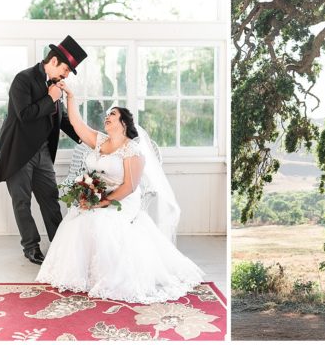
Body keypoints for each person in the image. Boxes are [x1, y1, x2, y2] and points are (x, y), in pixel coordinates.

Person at [35, 87, 204, 303]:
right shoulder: (99, 141)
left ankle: (105, 276)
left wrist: (103, 201)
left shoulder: (132, 150)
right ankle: (82, 275)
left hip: (122, 200)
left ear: (124, 123)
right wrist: (71, 97)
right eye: (107, 115)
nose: (107, 117)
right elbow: (77, 124)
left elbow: (130, 187)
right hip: (98, 195)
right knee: (76, 218)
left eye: (112, 115)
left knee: (99, 221)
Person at [0, 35, 87, 265]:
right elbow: (23, 115)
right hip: (18, 152)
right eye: (66, 69)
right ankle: (31, 247)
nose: (66, 75)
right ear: (54, 61)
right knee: (22, 202)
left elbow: (62, 120)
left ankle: (60, 244)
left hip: (43, 153)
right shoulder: (23, 79)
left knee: (51, 199)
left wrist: (86, 140)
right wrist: (51, 98)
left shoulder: (54, 86)